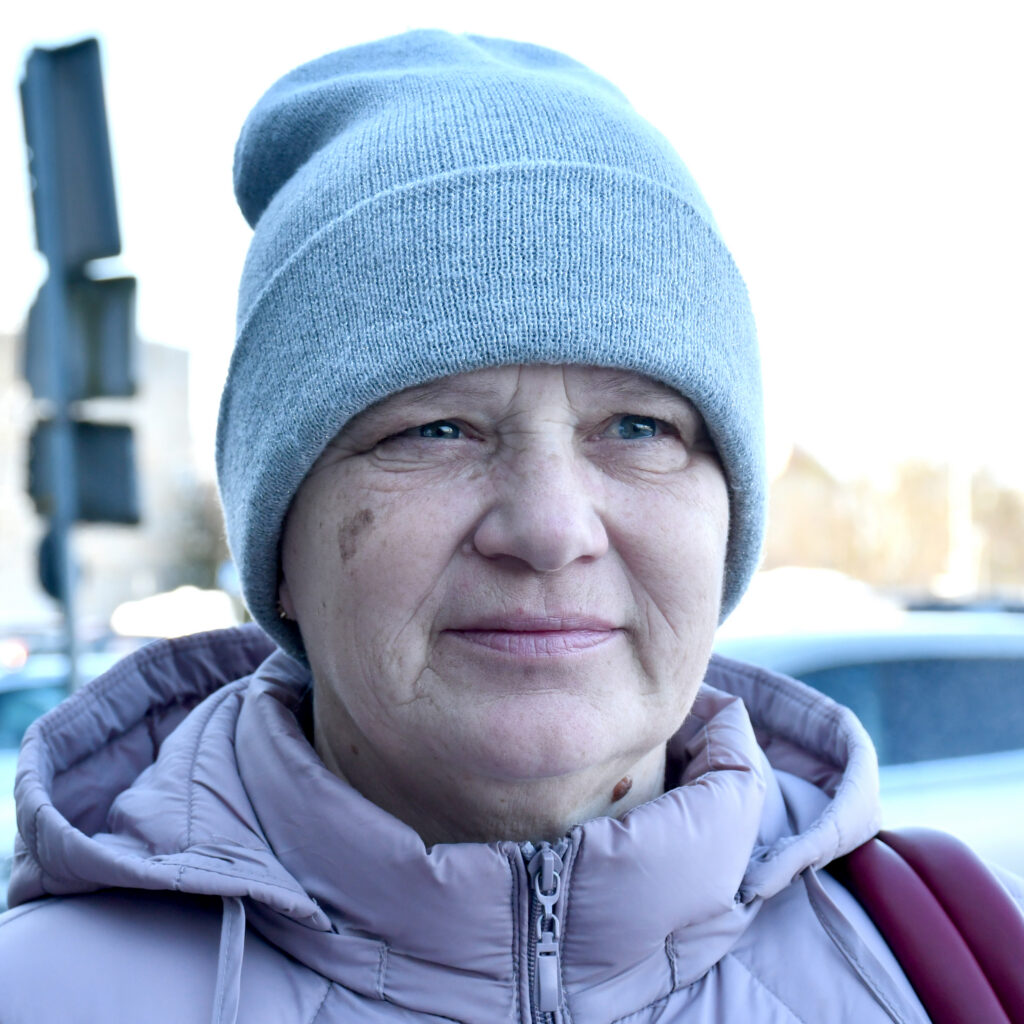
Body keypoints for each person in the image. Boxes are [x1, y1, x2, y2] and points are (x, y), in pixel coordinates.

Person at [0, 29, 1020, 1024]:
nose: (548, 528)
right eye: (434, 430)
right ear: (280, 553)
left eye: (638, 427)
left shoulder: (941, 966)